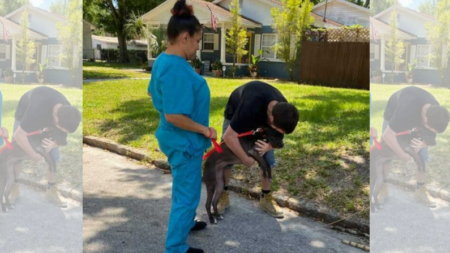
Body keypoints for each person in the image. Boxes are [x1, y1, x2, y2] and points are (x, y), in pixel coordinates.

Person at [148, 1, 216, 252]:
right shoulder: (177, 69)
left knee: (183, 185)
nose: (198, 47)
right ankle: (176, 246)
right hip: (184, 141)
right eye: (197, 41)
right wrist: (206, 130)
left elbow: (152, 93)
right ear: (185, 37)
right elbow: (174, 115)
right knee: (187, 196)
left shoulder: (162, 61)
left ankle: (185, 223)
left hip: (173, 138)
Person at [216, 81, 299, 218]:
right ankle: (222, 194)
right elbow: (229, 137)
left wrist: (269, 145)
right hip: (236, 112)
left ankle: (265, 197)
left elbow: (278, 136)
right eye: (277, 129)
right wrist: (245, 158)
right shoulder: (249, 107)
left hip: (262, 117)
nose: (279, 132)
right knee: (226, 156)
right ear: (271, 119)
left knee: (267, 158)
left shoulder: (283, 110)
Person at [10, 86, 81, 208]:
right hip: (25, 111)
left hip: (49, 117)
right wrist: (33, 155)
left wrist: (54, 144)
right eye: (61, 129)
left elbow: (62, 138)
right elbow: (19, 136)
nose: (62, 131)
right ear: (56, 120)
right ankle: (13, 186)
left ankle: (51, 189)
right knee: (16, 153)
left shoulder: (67, 112)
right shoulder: (36, 110)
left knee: (53, 154)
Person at [380, 86, 449, 207]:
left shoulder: (436, 112)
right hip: (394, 111)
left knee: (422, 153)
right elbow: (388, 136)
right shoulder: (405, 110)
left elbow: (431, 137)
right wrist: (402, 155)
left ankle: (420, 189)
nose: (431, 131)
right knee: (385, 153)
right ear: (425, 120)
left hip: (418, 117)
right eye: (429, 128)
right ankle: (382, 186)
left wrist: (423, 143)